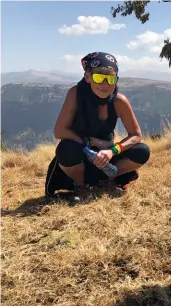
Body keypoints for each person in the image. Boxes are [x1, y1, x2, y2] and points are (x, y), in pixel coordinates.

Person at [45, 52, 150, 203]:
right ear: (87, 77)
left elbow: (136, 135)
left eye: (111, 78)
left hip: (106, 158)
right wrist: (88, 142)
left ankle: (108, 179)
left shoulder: (120, 101)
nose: (105, 84)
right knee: (65, 149)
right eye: (99, 77)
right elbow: (59, 131)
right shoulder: (76, 94)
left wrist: (113, 150)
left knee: (142, 151)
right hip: (81, 155)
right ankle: (83, 185)